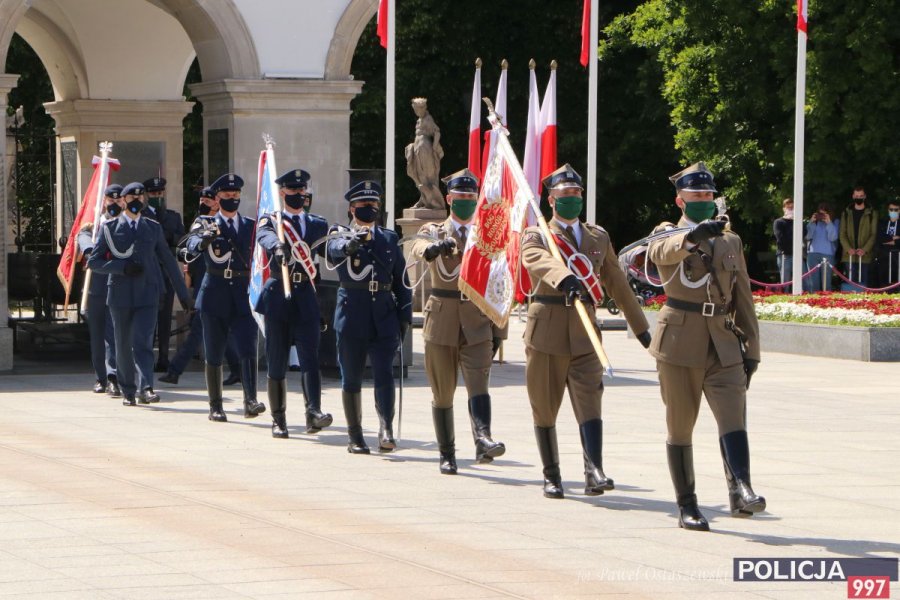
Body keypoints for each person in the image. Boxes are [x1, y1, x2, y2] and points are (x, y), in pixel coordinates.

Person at [647, 162, 765, 532]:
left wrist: (752, 348)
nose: (704, 200)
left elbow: (743, 296)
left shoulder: (730, 240)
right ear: (680, 201)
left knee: (733, 417)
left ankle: (742, 488)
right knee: (681, 424)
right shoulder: (666, 232)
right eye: (696, 195)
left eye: (709, 195)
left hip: (723, 341)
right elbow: (660, 253)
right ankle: (687, 504)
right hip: (680, 342)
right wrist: (693, 236)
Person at [521, 164, 651, 499]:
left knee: (591, 401)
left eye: (576, 193)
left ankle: (594, 471)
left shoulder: (597, 237)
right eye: (565, 194)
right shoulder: (538, 234)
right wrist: (564, 277)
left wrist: (641, 328)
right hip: (547, 330)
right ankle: (552, 475)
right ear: (551, 200)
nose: (573, 198)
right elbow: (533, 258)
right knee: (544, 405)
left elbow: (617, 282)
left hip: (585, 332)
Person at [410, 168, 507, 474]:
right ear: (449, 199)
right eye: (460, 196)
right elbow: (417, 245)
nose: (465, 201)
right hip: (442, 321)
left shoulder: (486, 236)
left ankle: (483, 438)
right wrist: (431, 249)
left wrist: (500, 331)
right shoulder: (435, 230)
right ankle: (447, 452)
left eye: (470, 197)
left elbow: (501, 284)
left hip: (477, 319)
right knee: (443, 390)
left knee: (479, 383)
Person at [326, 181, 412, 454]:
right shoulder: (339, 233)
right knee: (351, 376)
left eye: (374, 204)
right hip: (352, 314)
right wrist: (351, 244)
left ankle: (386, 429)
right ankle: (355, 435)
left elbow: (402, 280)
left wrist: (405, 315)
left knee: (384, 373)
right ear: (352, 209)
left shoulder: (388, 238)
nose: (370, 209)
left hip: (383, 316)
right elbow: (334, 250)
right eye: (364, 205)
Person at [87, 182, 191, 406]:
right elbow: (94, 262)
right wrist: (121, 268)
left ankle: (146, 387)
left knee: (143, 341)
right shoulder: (110, 228)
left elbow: (168, 261)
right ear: (124, 201)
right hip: (120, 294)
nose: (137, 201)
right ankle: (128, 390)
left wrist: (183, 295)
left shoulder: (152, 227)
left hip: (147, 293)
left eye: (140, 198)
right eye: (132, 198)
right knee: (123, 343)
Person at [254, 168, 333, 438]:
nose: (299, 194)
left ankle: (314, 413)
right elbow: (263, 236)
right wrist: (277, 245)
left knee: (310, 358)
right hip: (279, 294)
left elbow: (329, 249)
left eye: (302, 190)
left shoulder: (317, 224)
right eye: (293, 190)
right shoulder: (272, 221)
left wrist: (345, 246)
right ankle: (279, 419)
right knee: (277, 360)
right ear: (282, 192)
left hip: (307, 296)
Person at [185, 173, 266, 422]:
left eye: (236, 194)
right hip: (215, 293)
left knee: (248, 348)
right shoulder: (205, 223)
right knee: (214, 351)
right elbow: (190, 246)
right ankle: (216, 405)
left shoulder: (251, 225)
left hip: (243, 294)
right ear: (217, 198)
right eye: (227, 195)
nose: (233, 198)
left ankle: (250, 400)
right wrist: (203, 240)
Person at [159, 187, 241, 385]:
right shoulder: (200, 223)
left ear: (217, 203)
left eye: (207, 200)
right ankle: (238, 370)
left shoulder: (226, 224)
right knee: (214, 330)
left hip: (221, 285)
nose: (203, 203)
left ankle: (175, 370)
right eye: (201, 200)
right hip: (205, 286)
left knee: (201, 330)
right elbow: (190, 254)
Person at [78, 184, 122, 397]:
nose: (115, 204)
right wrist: (91, 248)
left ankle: (113, 377)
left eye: (118, 201)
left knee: (113, 334)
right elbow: (83, 240)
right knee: (97, 335)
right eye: (111, 200)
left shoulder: (126, 226)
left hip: (118, 287)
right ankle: (100, 377)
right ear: (104, 201)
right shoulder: (92, 227)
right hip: (96, 288)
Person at [142, 177, 185, 373]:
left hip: (167, 272)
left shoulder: (173, 217)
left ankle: (164, 357)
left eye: (159, 193)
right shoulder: (141, 215)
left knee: (165, 316)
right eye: (153, 193)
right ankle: (147, 356)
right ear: (146, 195)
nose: (157, 196)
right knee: (149, 316)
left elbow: (182, 240)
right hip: (149, 272)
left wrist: (169, 237)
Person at [838, 187, 878, 289]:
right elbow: (842, 234)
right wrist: (848, 249)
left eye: (861, 196)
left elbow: (873, 234)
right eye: (856, 196)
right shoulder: (846, 213)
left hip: (865, 256)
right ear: (853, 196)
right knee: (850, 286)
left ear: (865, 196)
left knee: (864, 286)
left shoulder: (872, 213)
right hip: (849, 256)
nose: (858, 198)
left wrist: (864, 249)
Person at [804, 203, 839, 292]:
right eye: (820, 214)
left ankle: (826, 299)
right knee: (813, 283)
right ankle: (813, 299)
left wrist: (829, 223)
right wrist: (811, 223)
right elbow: (808, 236)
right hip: (813, 254)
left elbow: (833, 238)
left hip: (828, 255)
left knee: (826, 283)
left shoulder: (835, 222)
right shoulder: (815, 222)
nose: (822, 216)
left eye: (824, 214)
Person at [875, 199, 900, 289]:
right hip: (883, 256)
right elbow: (879, 238)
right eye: (891, 209)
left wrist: (890, 240)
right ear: (888, 210)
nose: (893, 211)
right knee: (884, 282)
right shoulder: (882, 223)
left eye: (896, 210)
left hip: (898, 257)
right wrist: (894, 238)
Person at [772, 198, 794, 283]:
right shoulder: (778, 222)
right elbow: (780, 238)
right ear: (784, 209)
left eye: (792, 208)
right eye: (788, 207)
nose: (790, 209)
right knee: (785, 281)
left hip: (797, 255)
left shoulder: (797, 222)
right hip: (784, 254)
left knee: (805, 279)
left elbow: (803, 234)